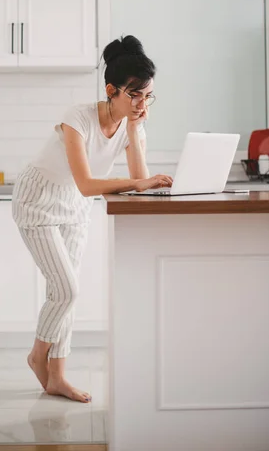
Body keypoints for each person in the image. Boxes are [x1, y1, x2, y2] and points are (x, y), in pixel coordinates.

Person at [12, 35, 173, 403]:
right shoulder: (78, 118)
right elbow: (88, 183)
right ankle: (38, 355)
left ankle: (58, 377)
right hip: (37, 198)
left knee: (64, 294)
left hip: (73, 206)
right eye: (134, 95)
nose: (141, 104)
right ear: (111, 90)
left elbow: (138, 183)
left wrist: (134, 131)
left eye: (148, 96)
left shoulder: (134, 125)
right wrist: (138, 181)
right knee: (67, 290)